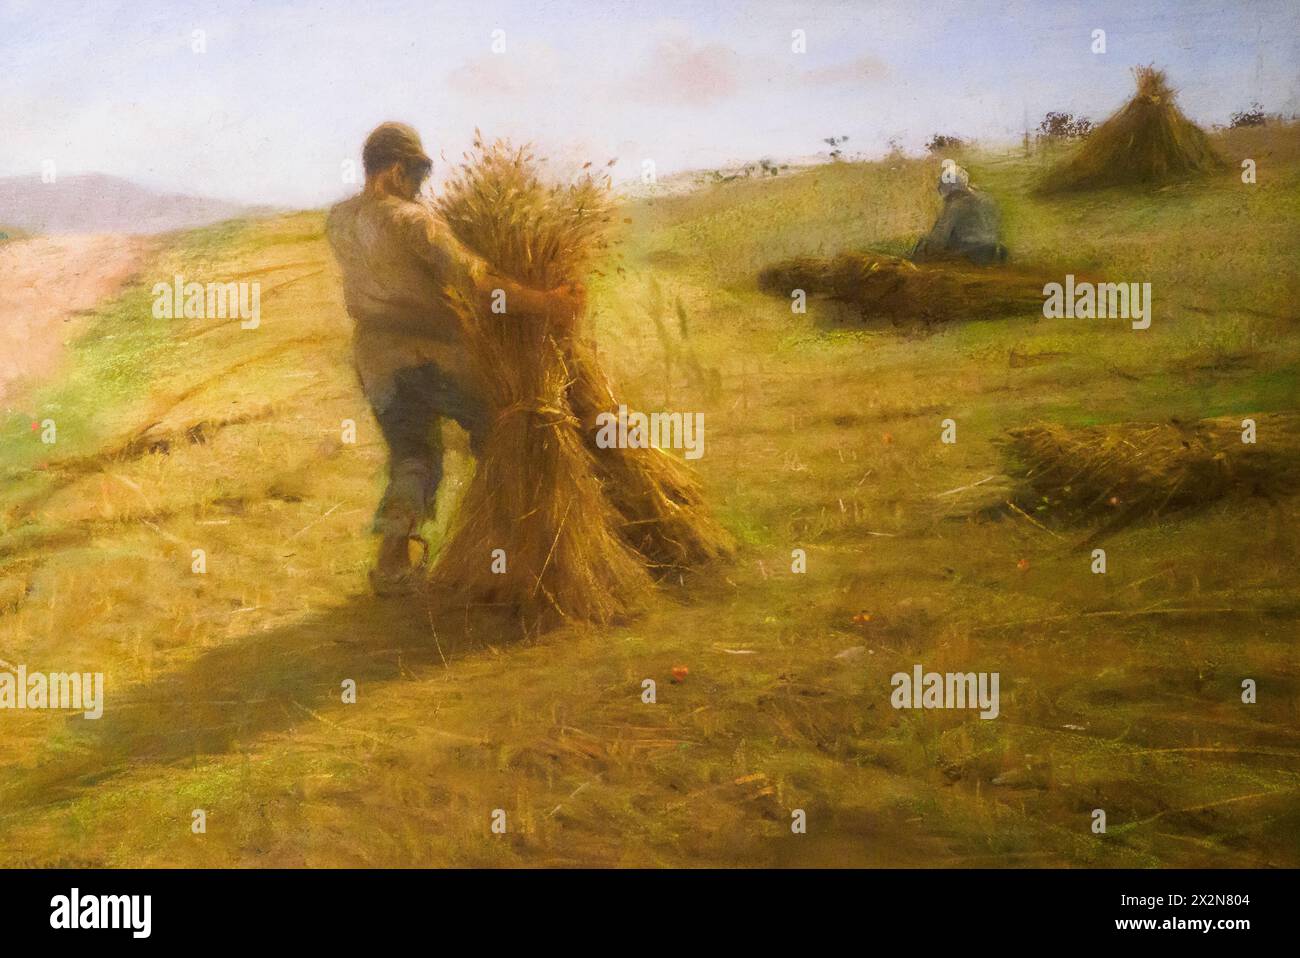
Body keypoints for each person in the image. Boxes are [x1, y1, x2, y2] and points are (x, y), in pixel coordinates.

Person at [327, 122, 581, 596]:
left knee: (413, 457)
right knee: (502, 428)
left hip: (378, 361)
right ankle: (508, 549)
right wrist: (549, 304)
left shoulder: (340, 220)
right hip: (434, 356)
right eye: (417, 175)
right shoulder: (413, 221)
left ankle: (392, 567)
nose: (420, 187)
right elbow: (480, 283)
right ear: (398, 171)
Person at [911, 163, 1008, 266]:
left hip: (972, 254)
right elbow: (998, 225)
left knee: (925, 241)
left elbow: (940, 236)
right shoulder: (987, 198)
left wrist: (925, 251)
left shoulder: (956, 205)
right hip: (995, 250)